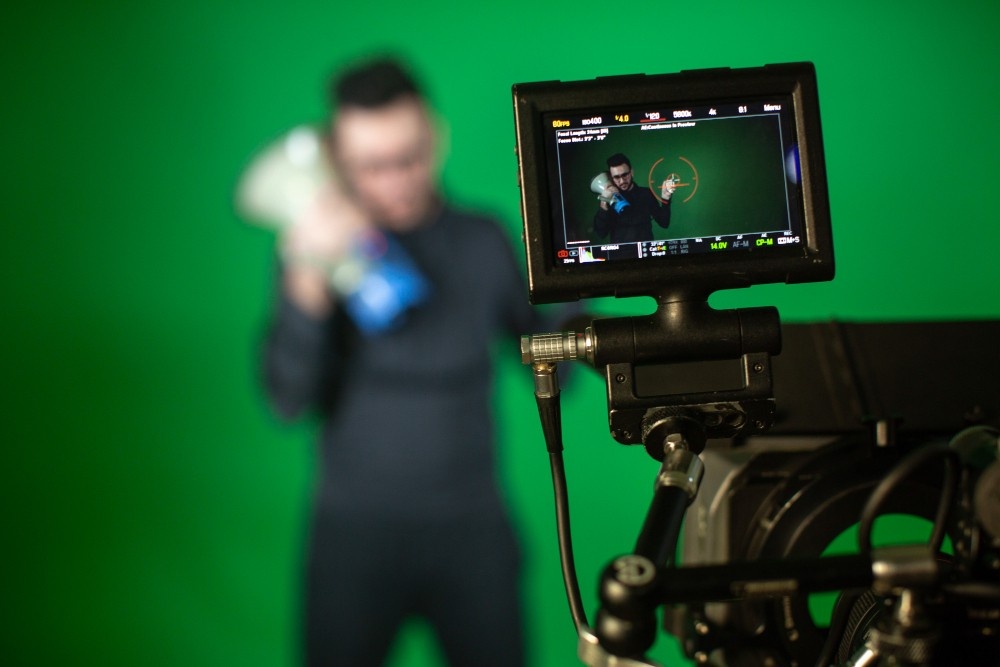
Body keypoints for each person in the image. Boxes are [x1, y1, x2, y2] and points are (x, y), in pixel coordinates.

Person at [261, 56, 555, 666]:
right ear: (337, 158)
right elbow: (288, 399)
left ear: (437, 138)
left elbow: (561, 351)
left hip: (474, 533)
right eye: (371, 165)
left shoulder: (485, 239)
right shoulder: (311, 253)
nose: (395, 179)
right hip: (352, 540)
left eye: (410, 156)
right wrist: (308, 283)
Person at [593, 153, 675, 243]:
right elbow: (601, 234)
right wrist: (604, 205)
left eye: (625, 175)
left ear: (631, 172)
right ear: (612, 178)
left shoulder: (645, 194)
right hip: (620, 255)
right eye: (616, 177)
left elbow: (664, 223)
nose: (622, 181)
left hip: (646, 252)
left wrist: (665, 199)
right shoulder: (608, 200)